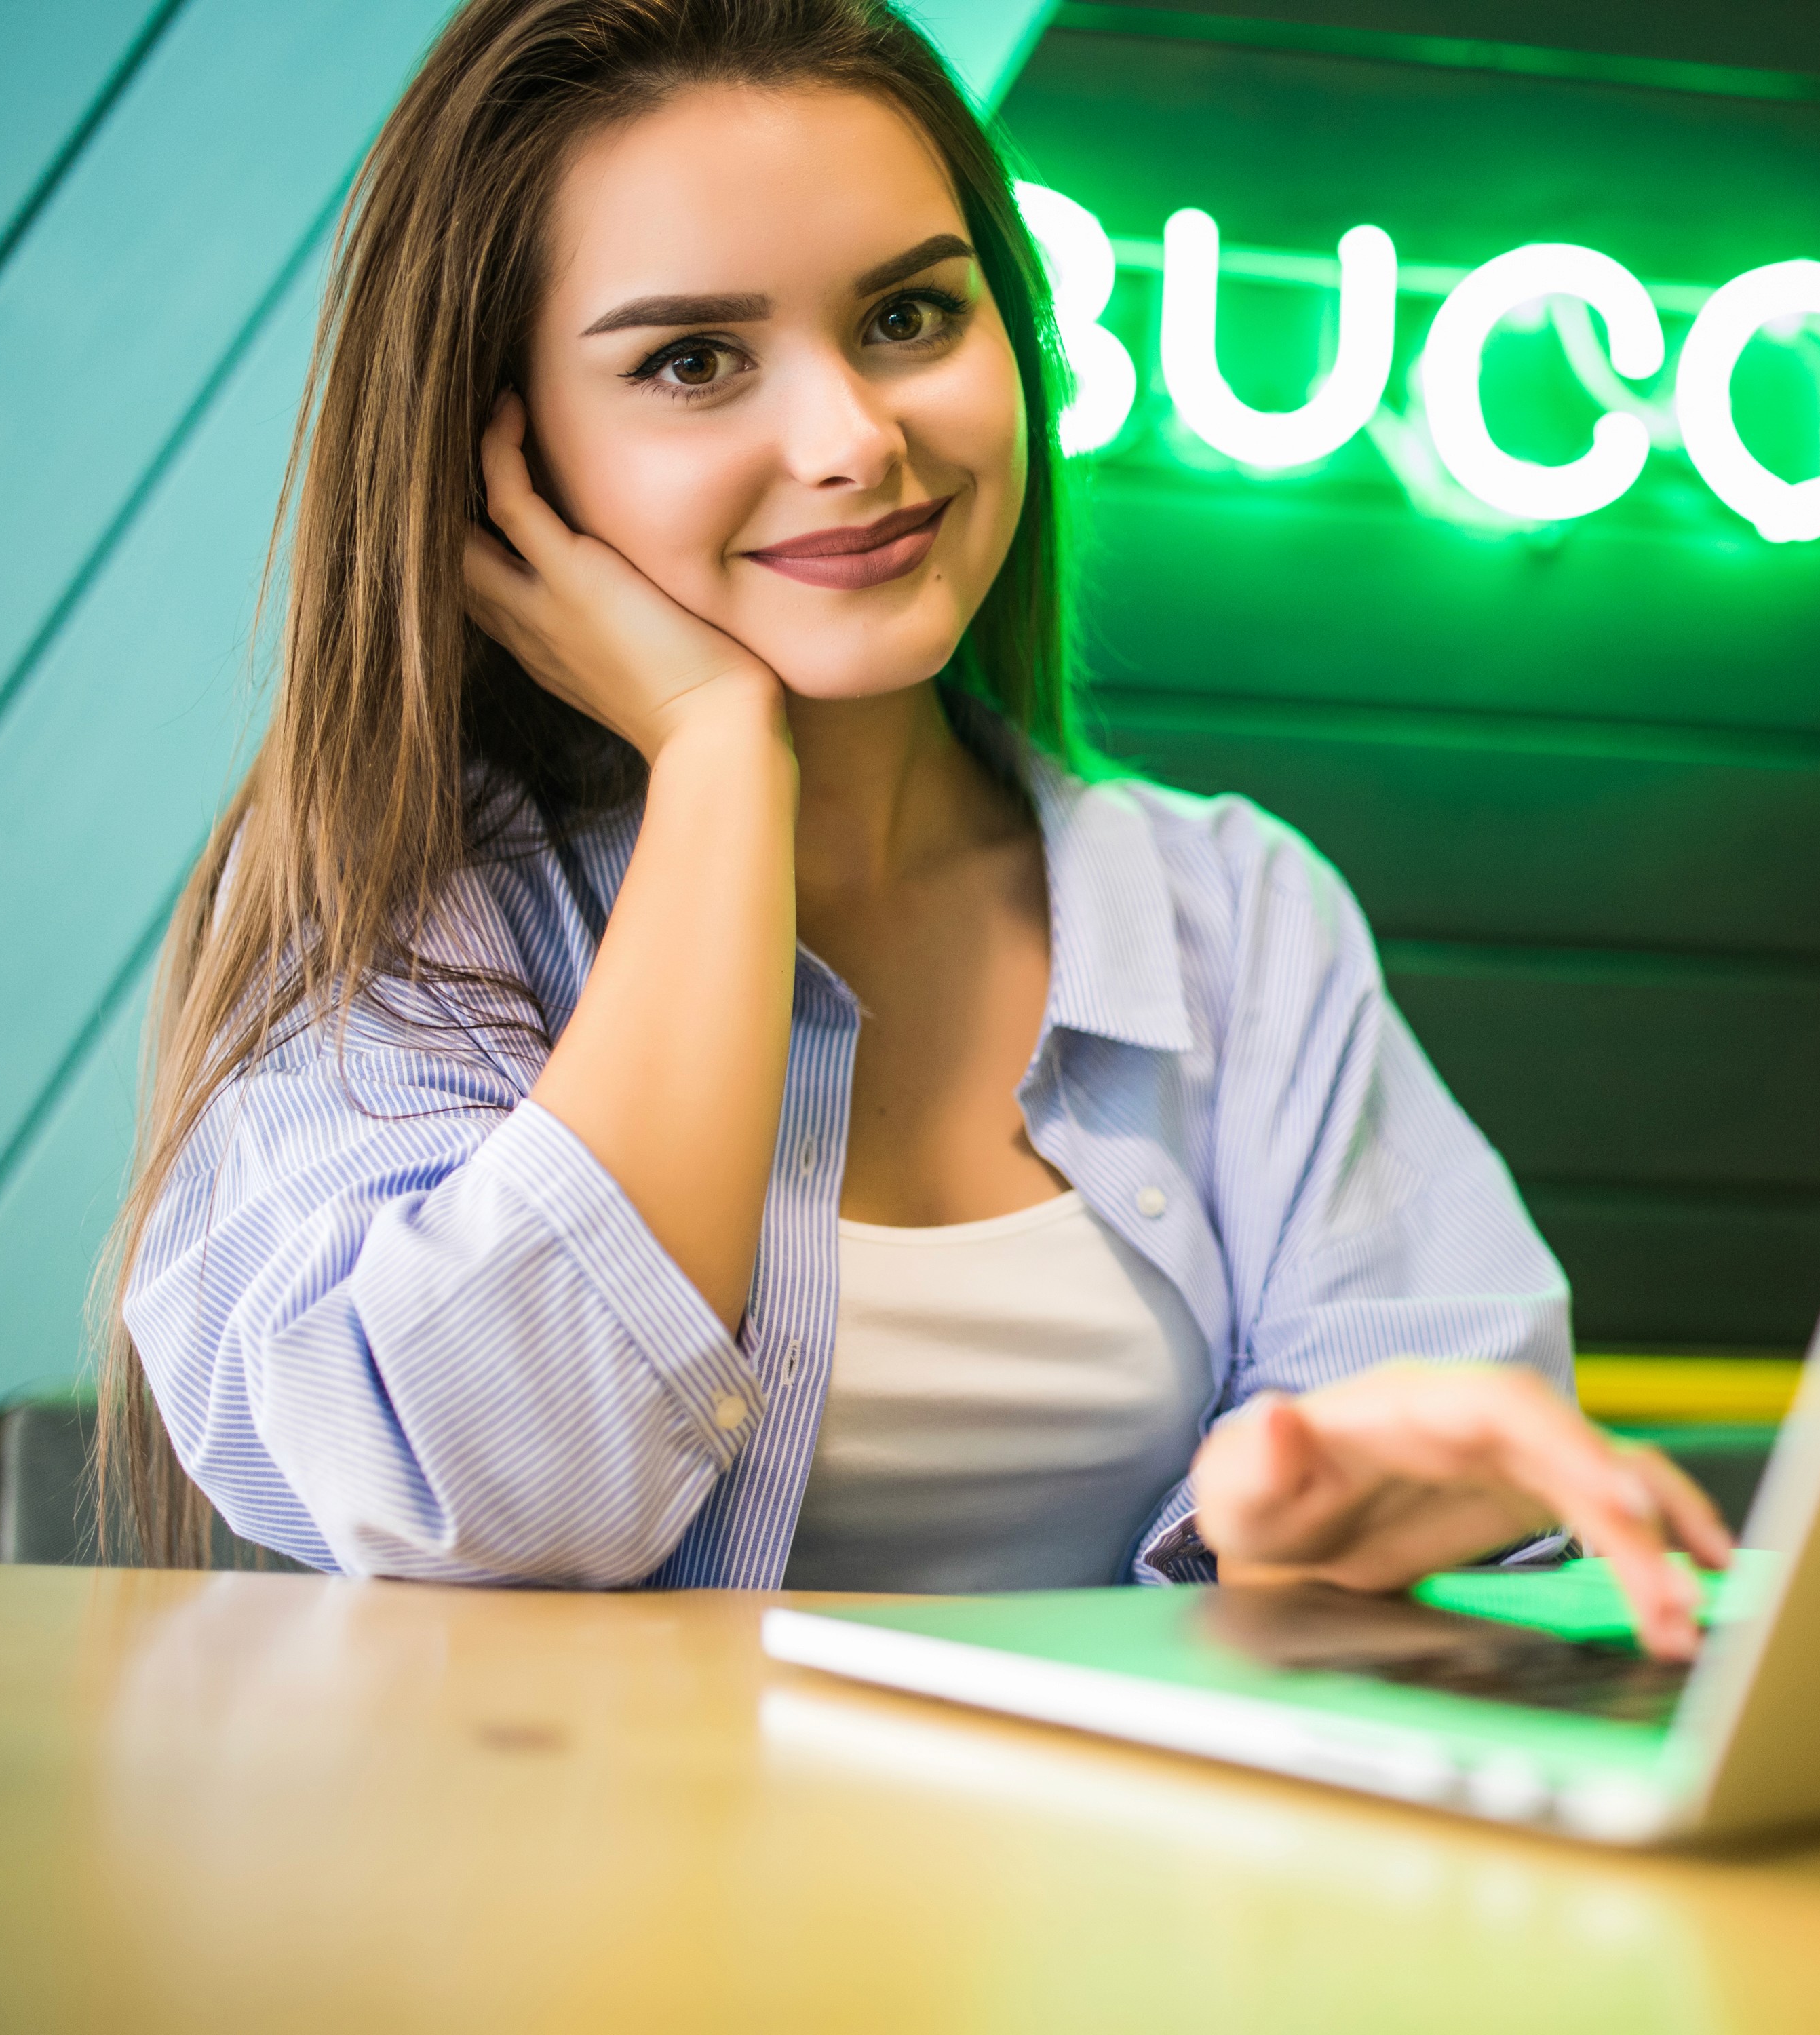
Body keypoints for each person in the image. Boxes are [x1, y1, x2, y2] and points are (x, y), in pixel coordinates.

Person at [107, 0, 1729, 1654]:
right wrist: (717, 758)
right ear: (501, 454)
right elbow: (495, 1499)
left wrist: (1293, 1534)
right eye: (691, 360)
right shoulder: (389, 901)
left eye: (908, 314)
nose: (856, 441)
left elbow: (1478, 1484)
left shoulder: (1234, 911)